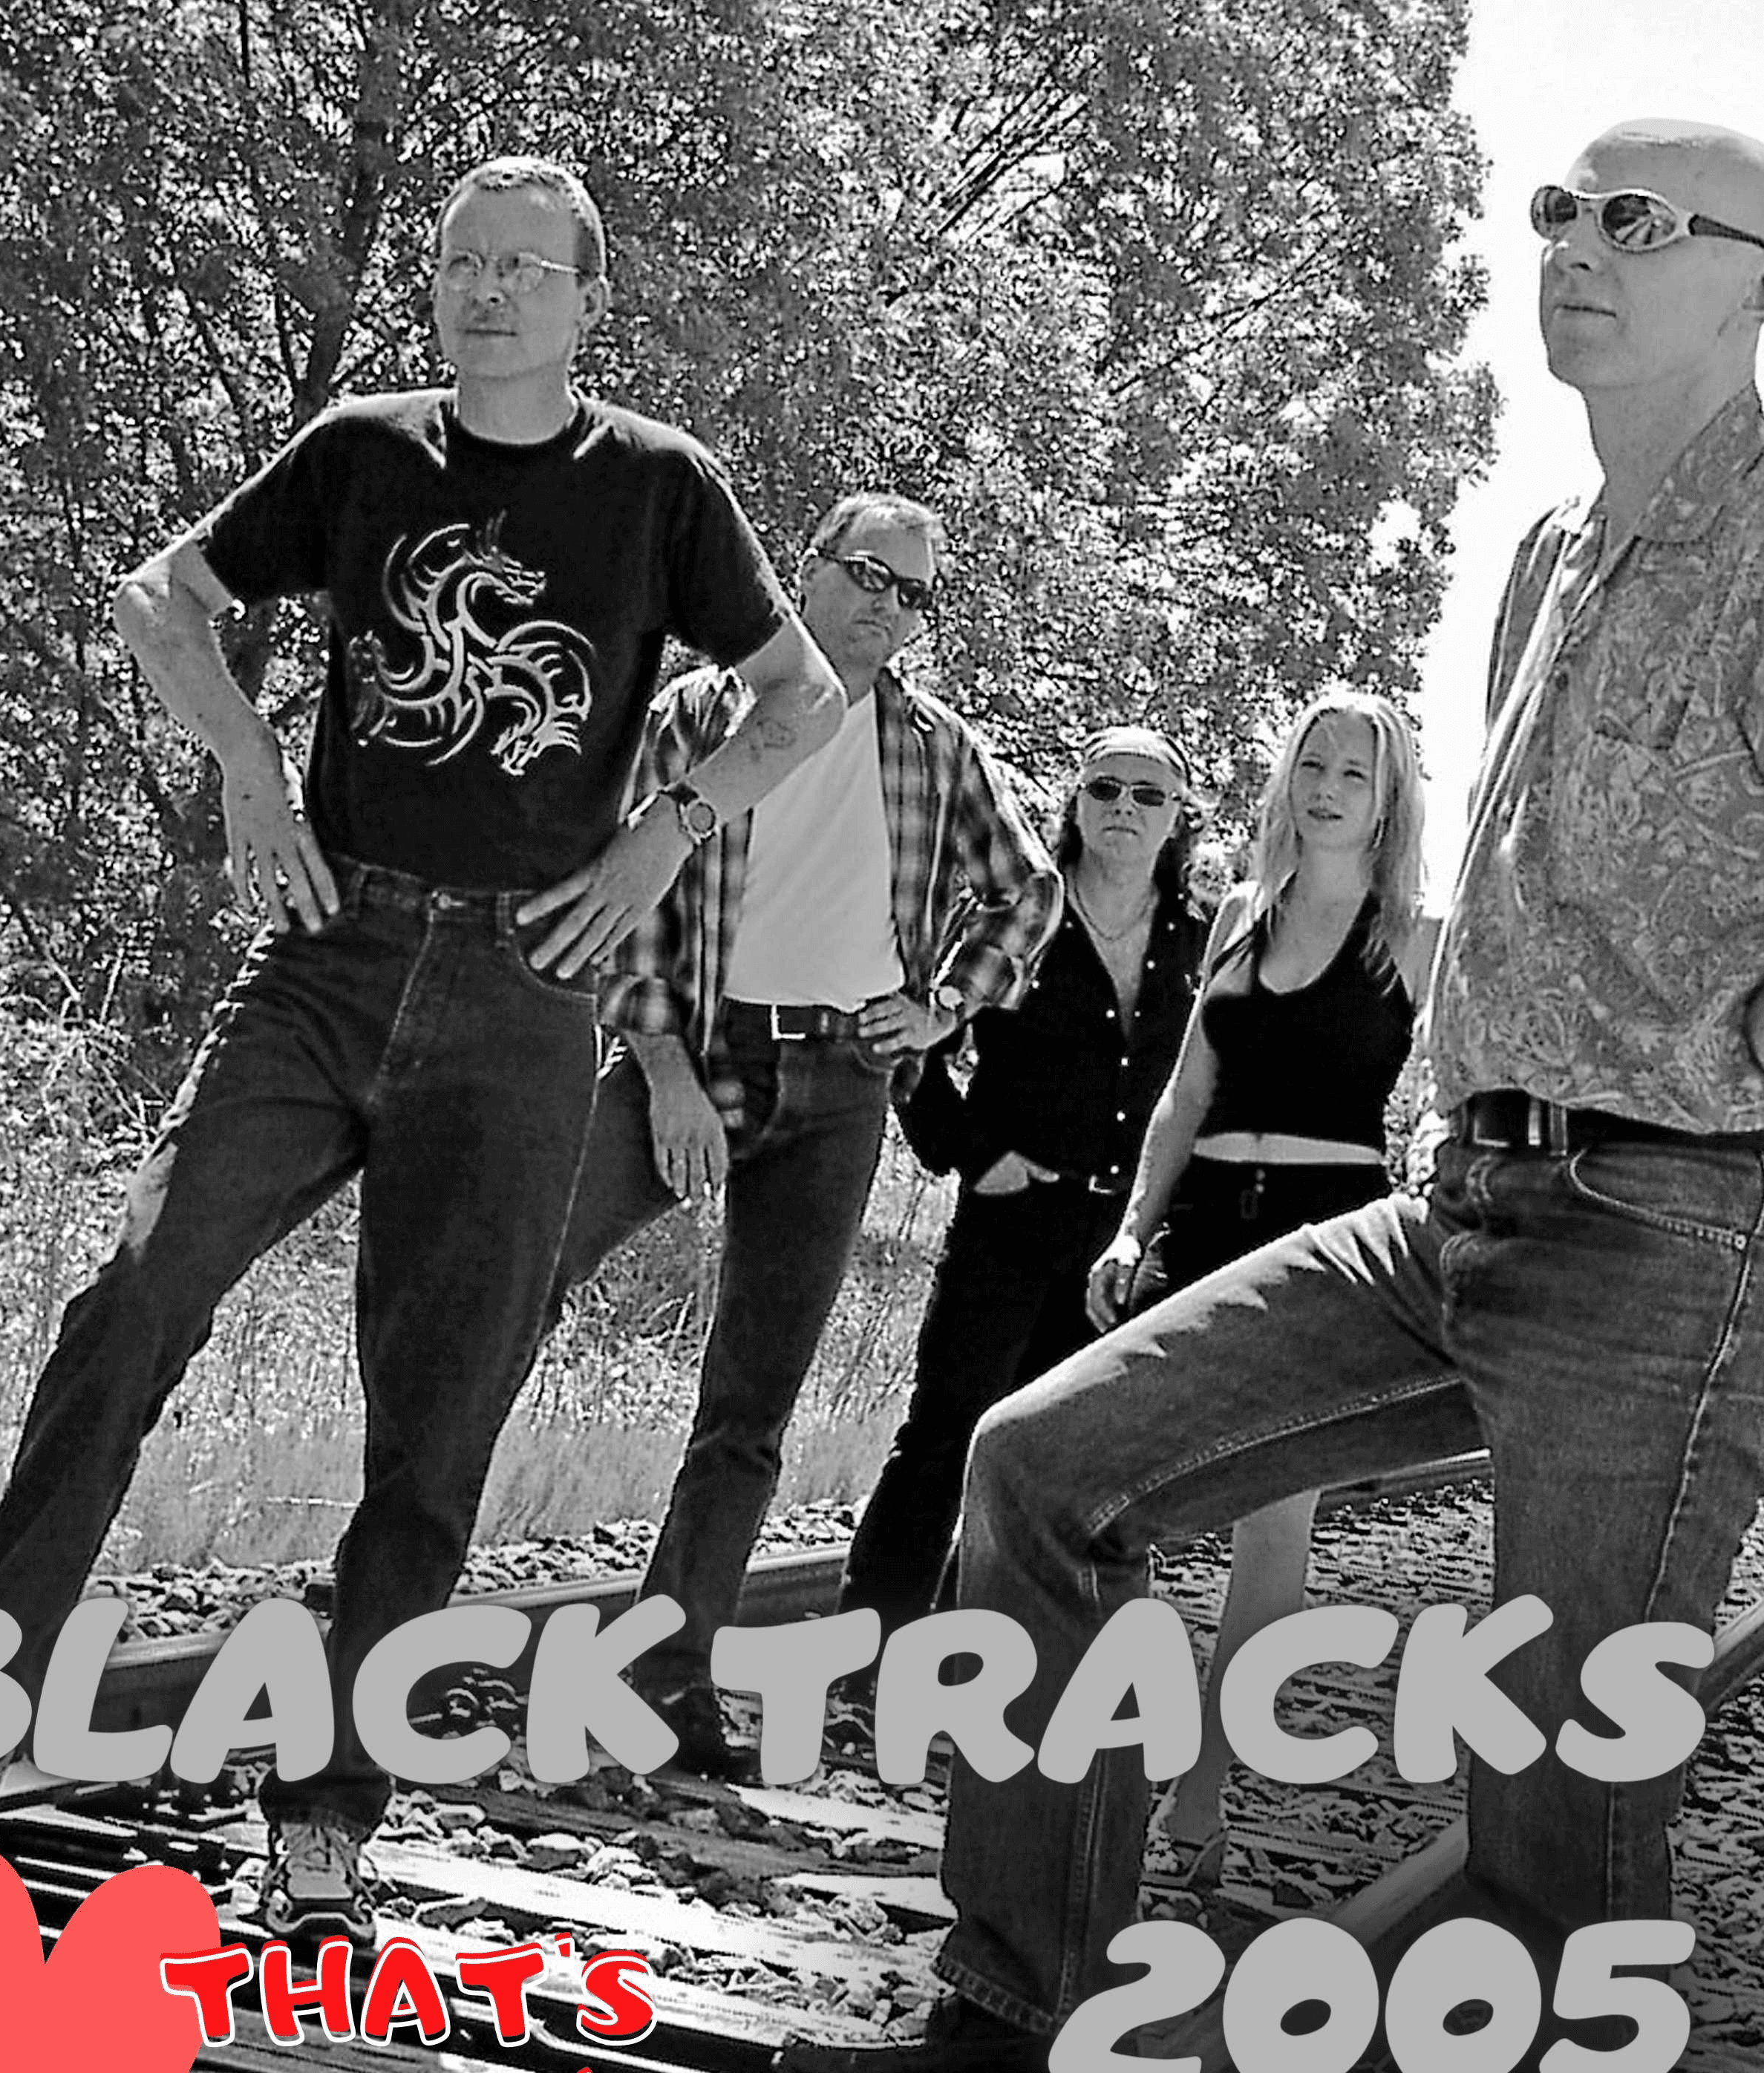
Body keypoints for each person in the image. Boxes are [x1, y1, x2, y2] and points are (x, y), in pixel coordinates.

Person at [778, 118, 1764, 2073]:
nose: (1577, 248)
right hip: (1458, 1208)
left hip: (1676, 1240)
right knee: (1042, 1476)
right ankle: (1025, 1994)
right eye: (1562, 212)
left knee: (1557, 1778)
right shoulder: (1546, 559)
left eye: (1640, 223)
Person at [0, 155, 848, 1948]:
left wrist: (663, 831)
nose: (485, 290)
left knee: (435, 1419)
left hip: (528, 993)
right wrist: (246, 762)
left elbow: (802, 695)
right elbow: (162, 596)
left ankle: (328, 1803)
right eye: (461, 264)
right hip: (328, 953)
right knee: (131, 1295)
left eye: (524, 267)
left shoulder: (662, 487)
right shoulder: (364, 448)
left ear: (589, 299)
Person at [547, 490, 1059, 1776]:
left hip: (840, 1087)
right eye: (869, 577)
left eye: (913, 594)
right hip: (696, 1054)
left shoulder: (935, 750)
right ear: (809, 572)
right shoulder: (704, 715)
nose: (888, 606)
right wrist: (660, 1067)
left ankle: (668, 1686)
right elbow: (634, 900)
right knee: (516, 1281)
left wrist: (940, 1008)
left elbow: (1028, 892)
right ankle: (392, 1592)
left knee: (750, 1403)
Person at [1085, 691, 1430, 1883]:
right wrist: (1131, 1232)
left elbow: (1458, 1092)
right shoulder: (1241, 909)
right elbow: (1185, 1098)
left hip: (1328, 1237)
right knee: (1125, 1488)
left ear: (1390, 802)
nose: (1328, 788)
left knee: (1270, 1522)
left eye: (1356, 774)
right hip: (1202, 1226)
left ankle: (1204, 1786)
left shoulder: (1415, 936)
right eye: (1313, 765)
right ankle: (1124, 1745)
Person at [831, 728, 1211, 1651]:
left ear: (1178, 822)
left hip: (1120, 1243)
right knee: (944, 1437)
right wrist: (972, 1153)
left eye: (1147, 796)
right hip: (1010, 1215)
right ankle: (860, 1660)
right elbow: (909, 1050)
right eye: (1105, 789)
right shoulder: (1014, 921)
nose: (1124, 808)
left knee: (1049, 1462)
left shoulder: (1201, 943)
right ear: (1075, 805)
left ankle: (973, 1661)